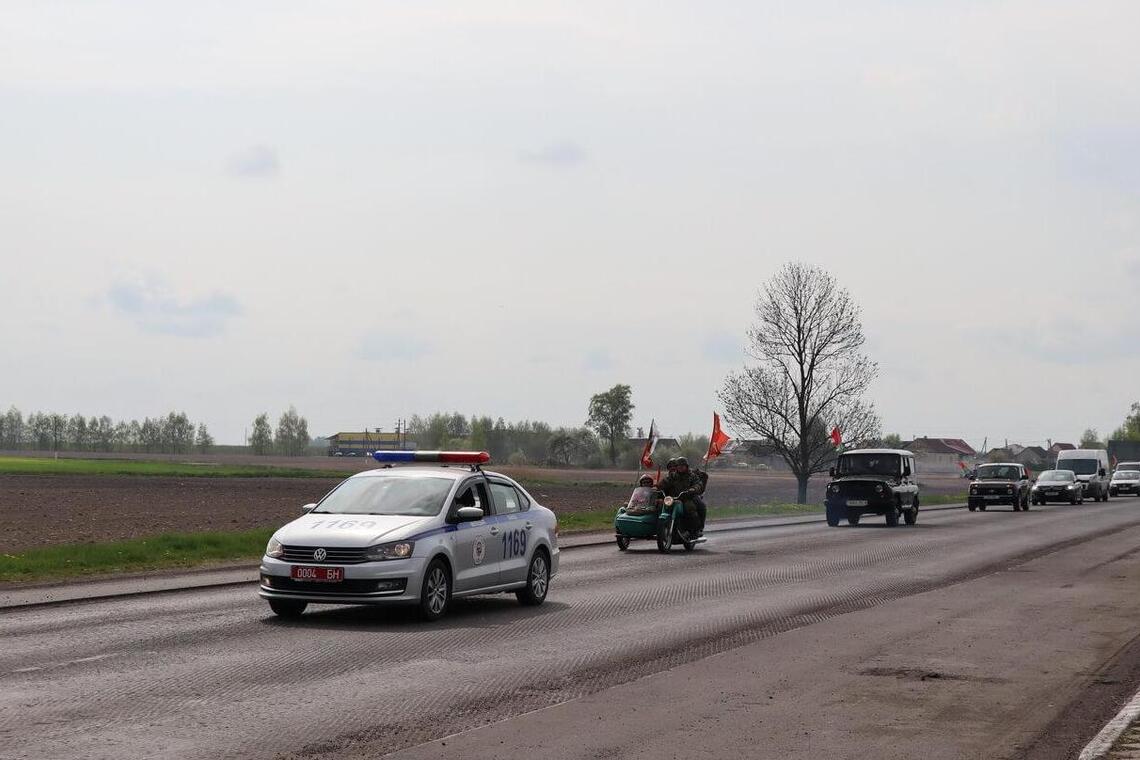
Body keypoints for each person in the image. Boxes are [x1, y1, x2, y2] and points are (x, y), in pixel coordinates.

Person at [657, 456, 708, 535]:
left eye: (682, 466)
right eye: (678, 466)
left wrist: (693, 489)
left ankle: (696, 529)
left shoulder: (692, 475)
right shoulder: (673, 476)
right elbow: (665, 482)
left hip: (688, 497)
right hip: (674, 498)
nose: (680, 468)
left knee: (690, 507)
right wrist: (656, 487)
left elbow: (698, 484)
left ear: (686, 466)